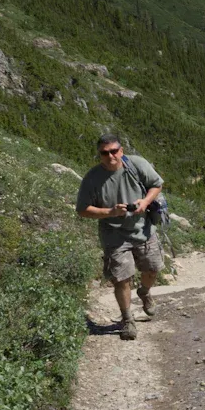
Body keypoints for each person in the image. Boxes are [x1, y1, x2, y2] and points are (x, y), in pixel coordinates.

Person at [75, 134, 165, 340]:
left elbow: (156, 184)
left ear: (121, 151)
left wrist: (144, 202)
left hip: (143, 229)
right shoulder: (92, 179)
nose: (110, 156)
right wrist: (110, 212)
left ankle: (144, 292)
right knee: (122, 278)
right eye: (105, 153)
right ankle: (127, 319)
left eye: (114, 151)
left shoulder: (136, 164)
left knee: (152, 268)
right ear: (99, 155)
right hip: (114, 234)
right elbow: (82, 210)